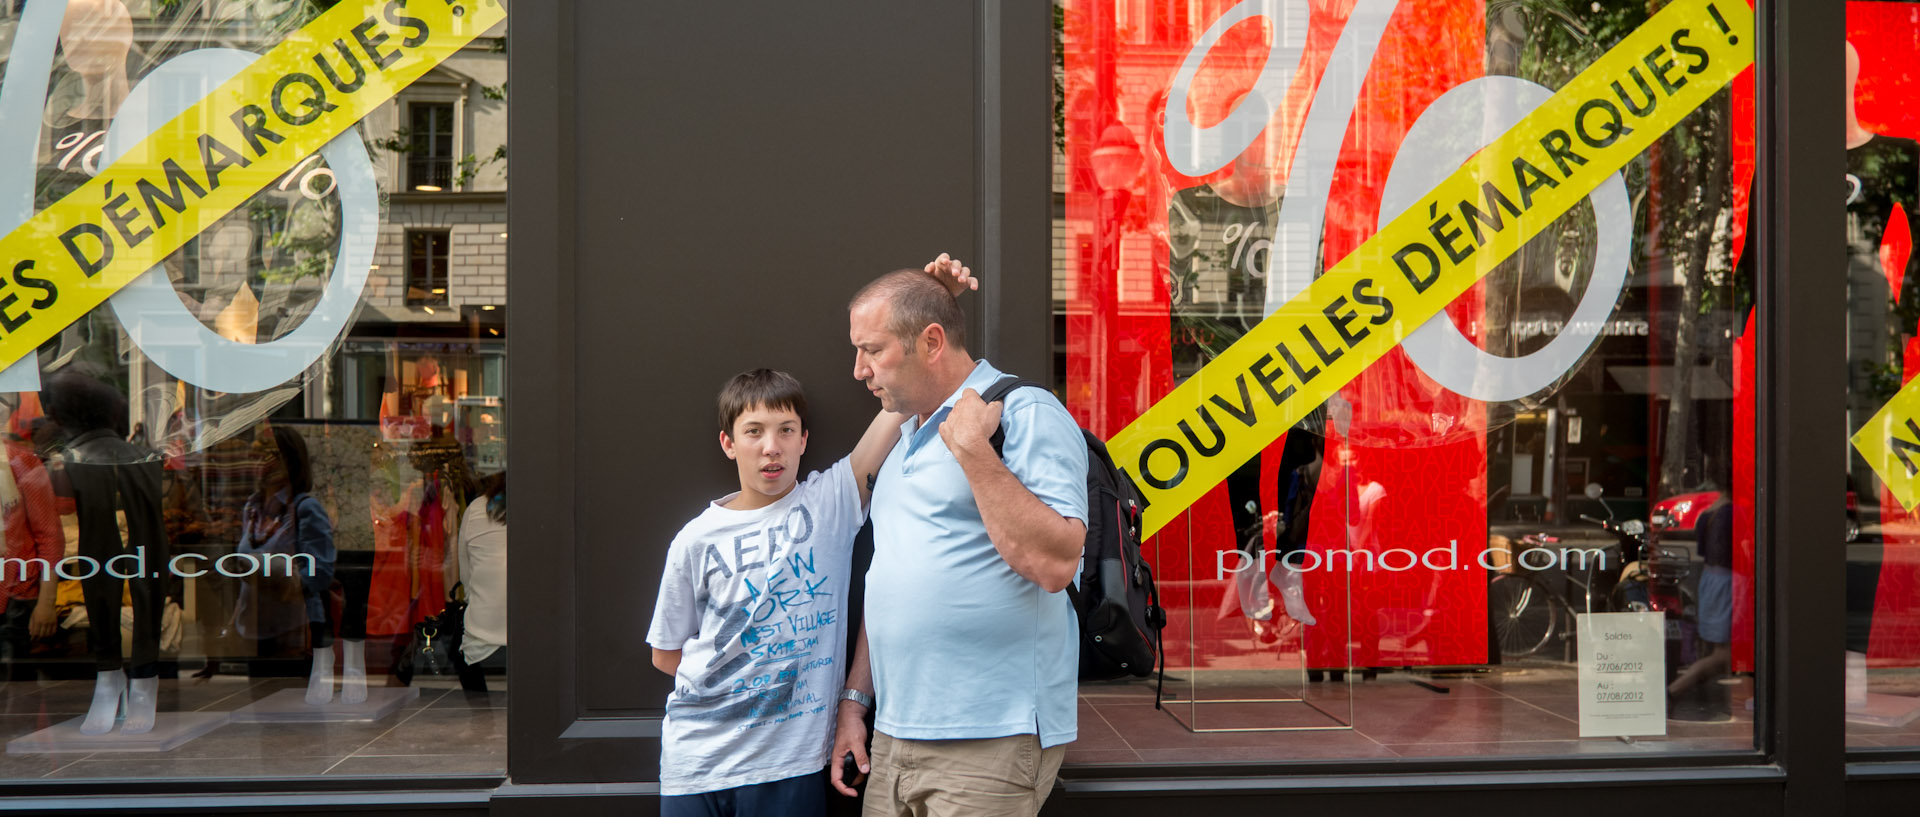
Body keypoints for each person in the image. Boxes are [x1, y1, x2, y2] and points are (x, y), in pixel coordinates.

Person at [832, 256, 1089, 816]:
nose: (859, 369)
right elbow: (892, 583)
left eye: (872, 350)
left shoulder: (1024, 412)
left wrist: (973, 450)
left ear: (930, 342)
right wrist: (856, 700)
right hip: (895, 737)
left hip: (989, 737)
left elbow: (1055, 564)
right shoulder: (903, 438)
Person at [646, 367, 908, 817]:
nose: (772, 447)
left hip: (788, 764)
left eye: (786, 430)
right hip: (695, 764)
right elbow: (666, 654)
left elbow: (900, 405)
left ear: (803, 440)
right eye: (753, 432)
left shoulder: (830, 503)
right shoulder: (695, 539)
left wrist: (937, 296)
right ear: (728, 443)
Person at [231, 426, 338, 704]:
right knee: (264, 719)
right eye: (255, 453)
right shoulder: (252, 509)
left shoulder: (305, 508)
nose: (260, 461)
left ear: (290, 460)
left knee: (296, 724)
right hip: (254, 629)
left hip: (293, 630)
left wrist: (281, 577)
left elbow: (321, 572)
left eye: (270, 454)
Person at [455, 471, 506, 693]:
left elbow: (465, 573)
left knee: (454, 648)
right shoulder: (540, 506)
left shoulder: (476, 508)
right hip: (534, 632)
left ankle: (478, 708)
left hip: (481, 634)